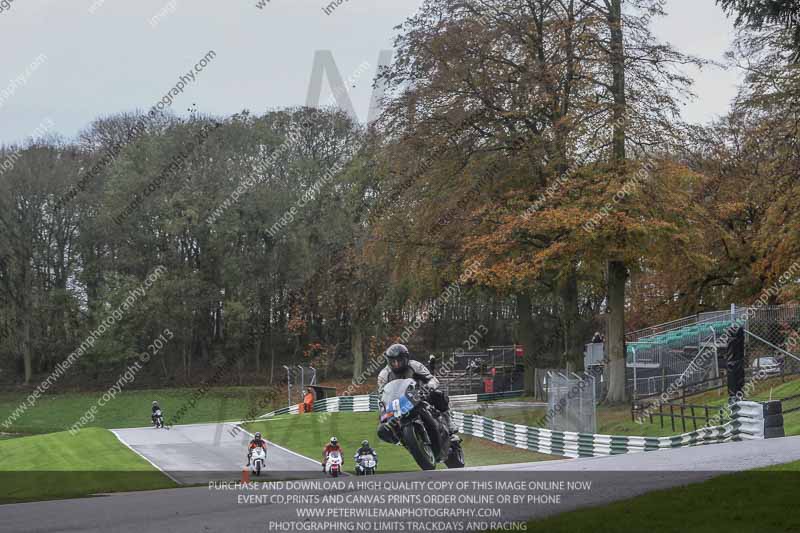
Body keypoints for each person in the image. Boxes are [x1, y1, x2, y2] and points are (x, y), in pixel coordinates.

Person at [378, 343, 458, 438]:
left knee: (437, 394)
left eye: (399, 361)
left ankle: (448, 420)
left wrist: (428, 387)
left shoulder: (414, 365)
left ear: (406, 358)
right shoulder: (384, 375)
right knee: (383, 426)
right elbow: (382, 395)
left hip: (419, 395)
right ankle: (399, 437)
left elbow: (433, 379)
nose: (396, 364)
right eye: (393, 362)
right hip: (399, 403)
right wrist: (383, 410)